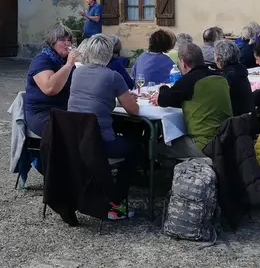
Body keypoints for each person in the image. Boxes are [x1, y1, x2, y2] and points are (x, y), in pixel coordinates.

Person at [67, 34, 139, 220]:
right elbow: (133, 110)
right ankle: (117, 199)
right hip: (100, 142)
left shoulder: (77, 73)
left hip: (76, 138)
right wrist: (129, 99)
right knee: (137, 147)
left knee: (124, 133)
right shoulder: (112, 76)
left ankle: (107, 192)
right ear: (109, 54)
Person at [152, 43, 229, 157]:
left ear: (183, 63)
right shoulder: (220, 77)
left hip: (204, 145)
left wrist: (162, 89)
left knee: (156, 147)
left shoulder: (189, 80)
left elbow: (164, 99)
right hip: (226, 139)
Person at [24, 24, 76, 139]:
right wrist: (69, 65)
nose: (67, 44)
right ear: (52, 42)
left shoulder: (64, 60)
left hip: (64, 110)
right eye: (62, 40)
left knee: (90, 125)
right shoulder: (41, 60)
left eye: (69, 40)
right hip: (42, 113)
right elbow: (50, 88)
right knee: (71, 133)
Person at [214, 39, 253, 116]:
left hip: (236, 119)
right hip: (248, 117)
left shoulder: (226, 77)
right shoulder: (241, 71)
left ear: (218, 59)